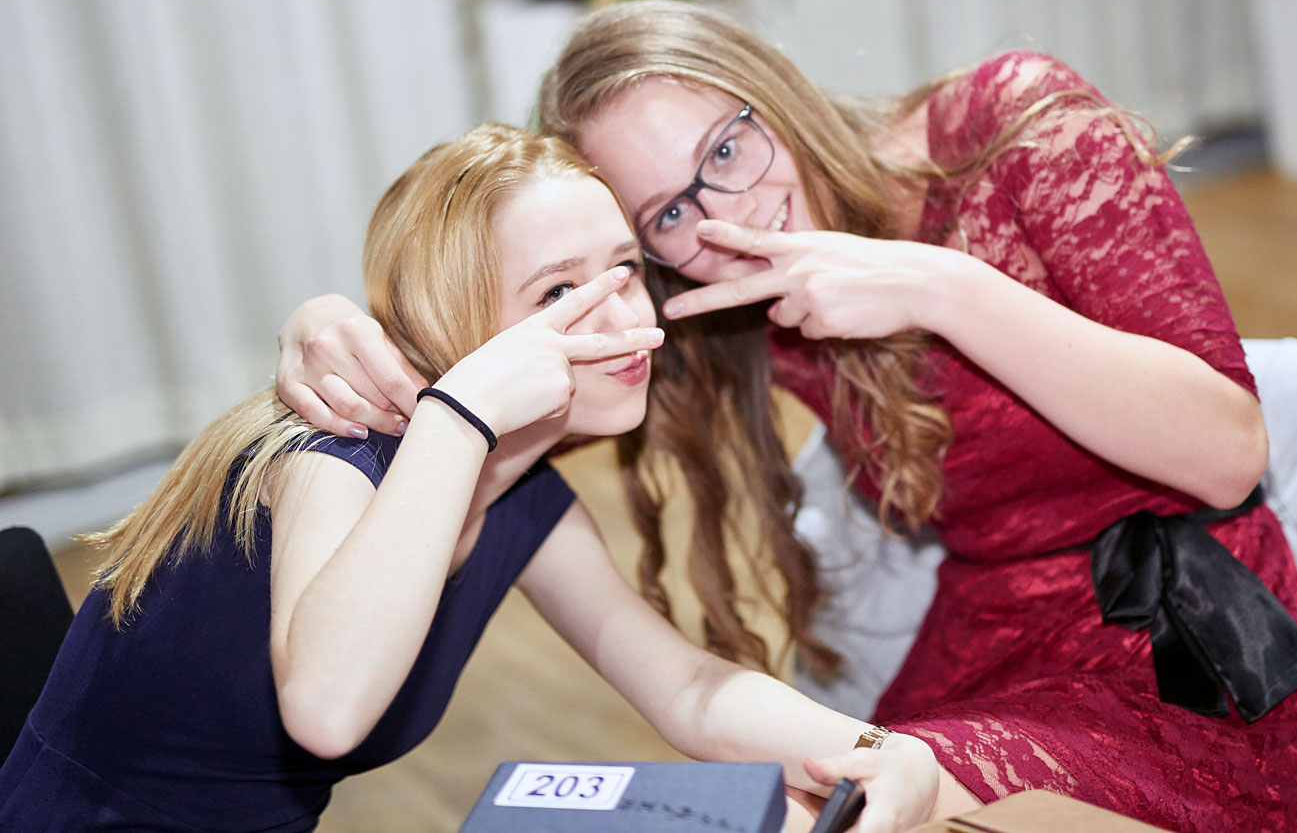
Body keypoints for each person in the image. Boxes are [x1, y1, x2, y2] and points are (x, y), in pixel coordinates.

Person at [275, 1, 1297, 831]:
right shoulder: (724, 293)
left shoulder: (1013, 124)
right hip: (996, 637)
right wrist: (337, 323)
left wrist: (936, 285)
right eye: (669, 213)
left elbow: (1228, 454)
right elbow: (506, 347)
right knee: (815, 802)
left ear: (770, 92)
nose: (728, 214)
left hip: (1180, 639)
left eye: (725, 150)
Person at [0, 124, 943, 833]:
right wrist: (460, 414)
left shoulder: (525, 498)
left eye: (623, 269)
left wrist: (876, 749)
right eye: (557, 291)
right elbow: (326, 710)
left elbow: (686, 686)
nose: (623, 314)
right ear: (460, 327)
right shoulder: (330, 458)